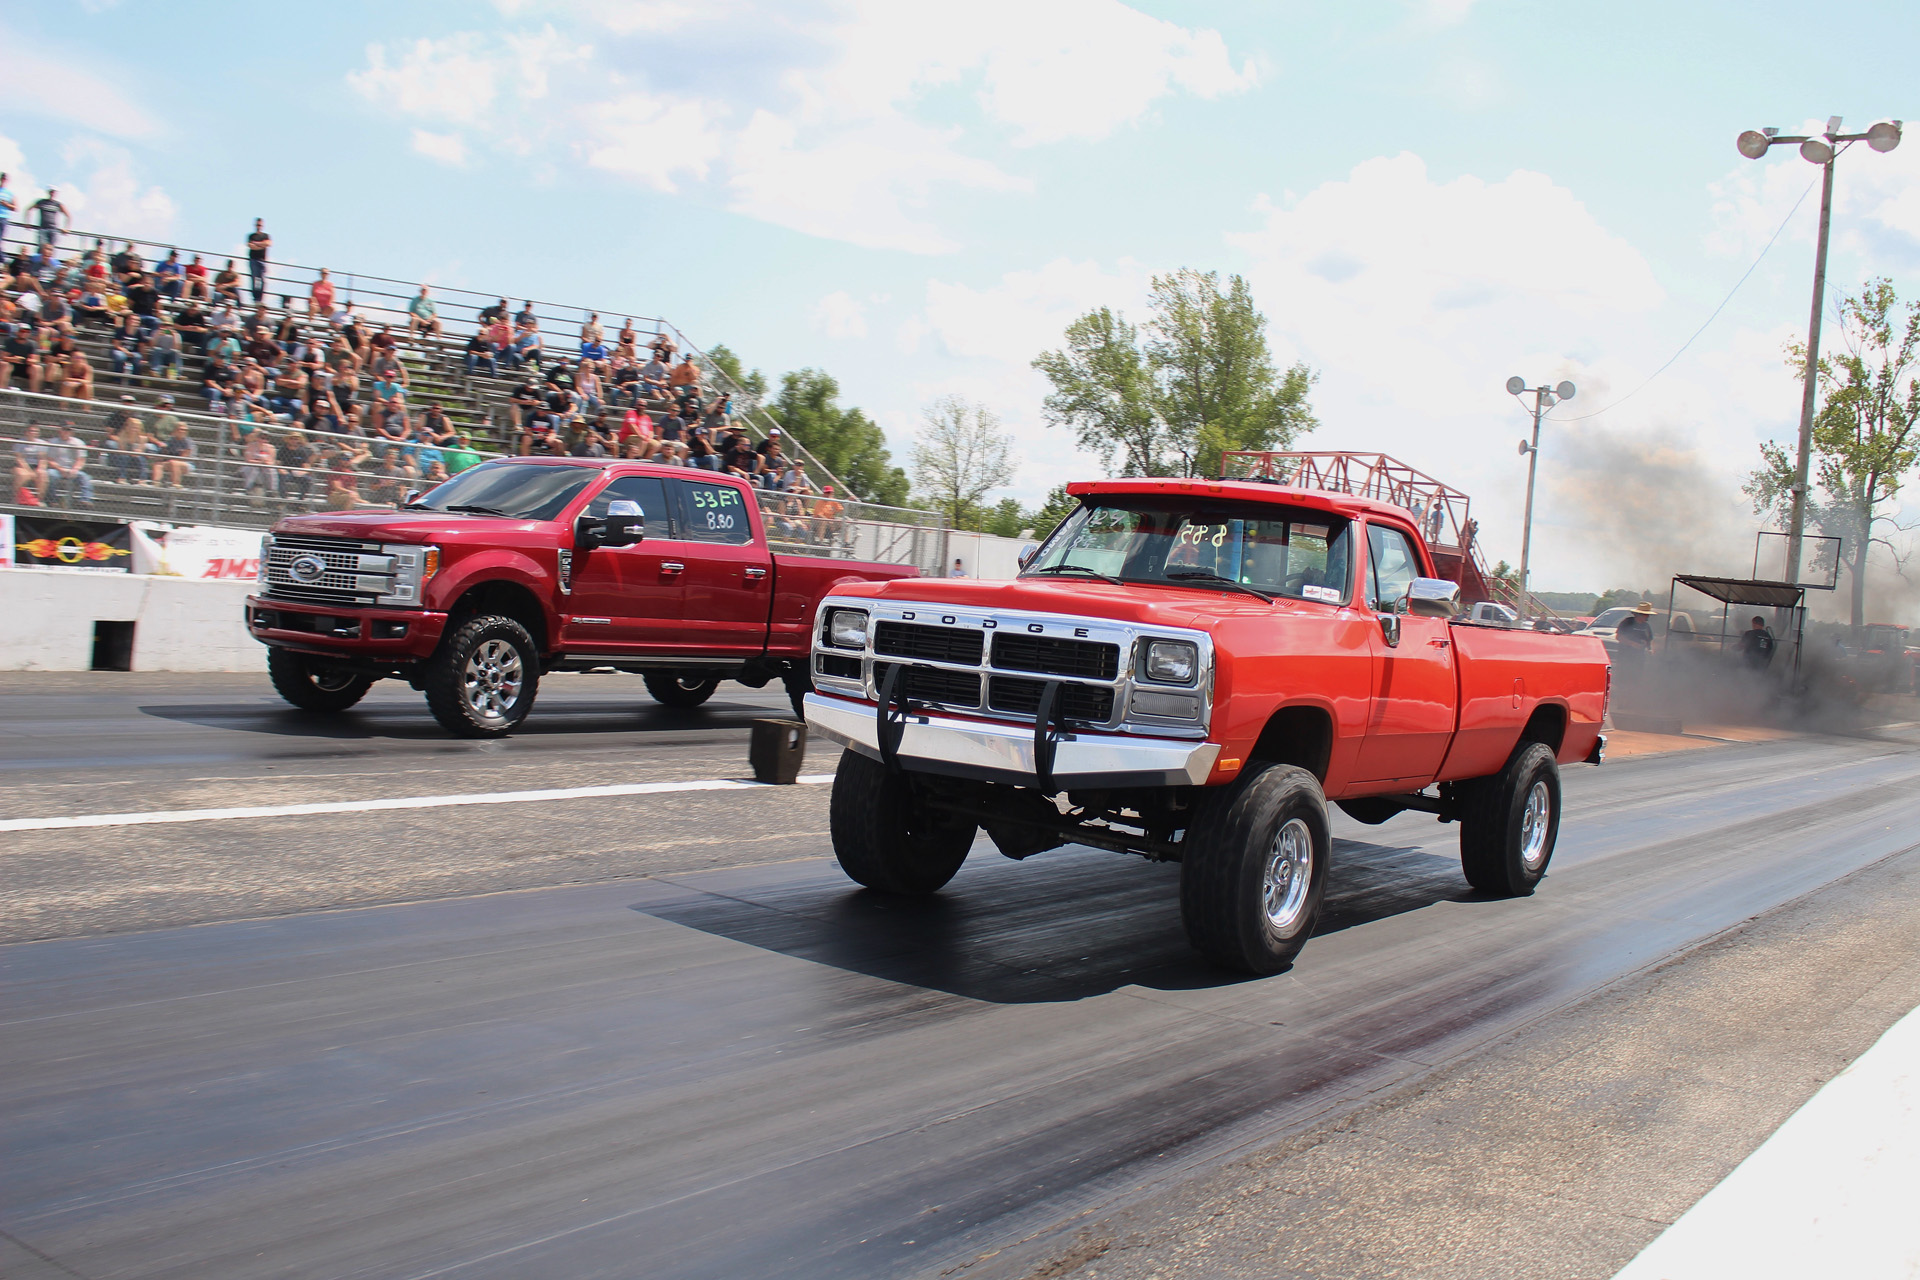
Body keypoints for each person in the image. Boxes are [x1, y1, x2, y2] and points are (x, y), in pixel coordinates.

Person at [246, 218, 271, 303]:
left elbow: (268, 244)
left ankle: (260, 298)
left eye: (260, 225)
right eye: (257, 225)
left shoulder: (265, 236)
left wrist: (256, 243)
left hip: (262, 260)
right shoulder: (251, 236)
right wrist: (261, 245)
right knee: (254, 279)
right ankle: (255, 298)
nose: (258, 226)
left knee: (263, 280)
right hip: (253, 260)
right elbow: (250, 246)